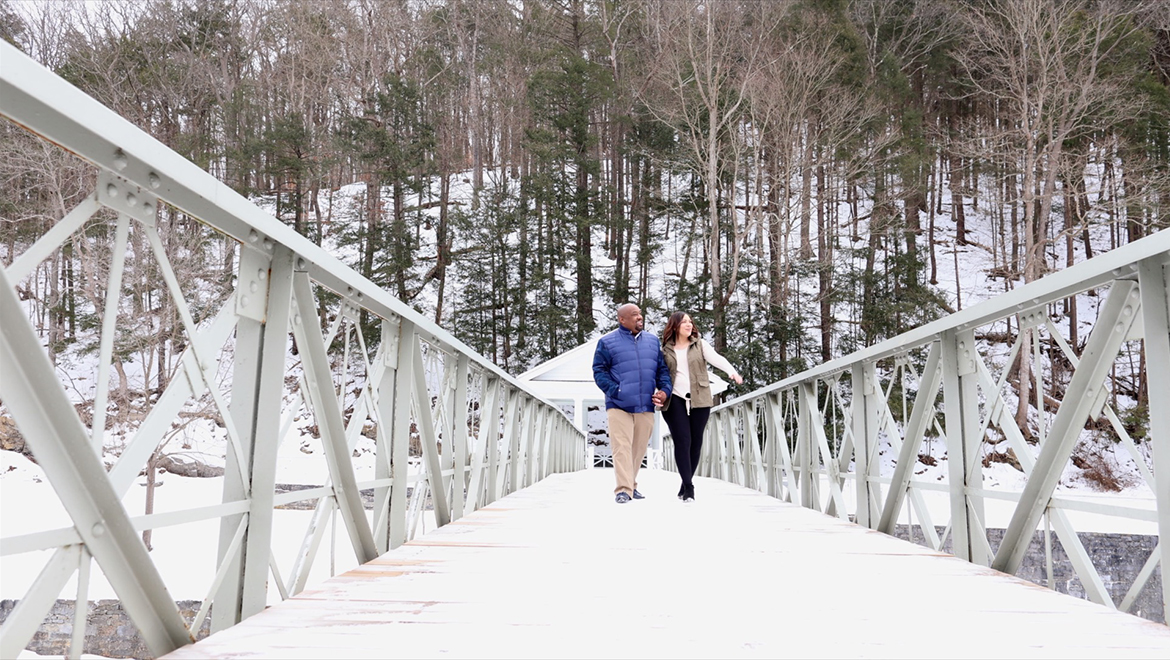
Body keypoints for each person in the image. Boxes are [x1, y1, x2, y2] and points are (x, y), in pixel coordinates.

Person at [592, 303, 672, 504]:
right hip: (618, 404)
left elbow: (662, 371)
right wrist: (615, 391)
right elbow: (599, 370)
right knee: (621, 447)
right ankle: (623, 489)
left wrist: (664, 392)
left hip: (646, 404)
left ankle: (631, 483)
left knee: (638, 449)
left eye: (640, 314)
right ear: (622, 319)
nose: (640, 317)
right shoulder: (607, 342)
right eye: (634, 315)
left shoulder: (653, 342)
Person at [659, 312, 743, 502]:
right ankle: (689, 486)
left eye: (690, 322)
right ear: (675, 326)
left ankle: (685, 481)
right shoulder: (665, 349)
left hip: (700, 397)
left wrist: (732, 371)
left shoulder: (700, 345)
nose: (689, 325)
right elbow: (659, 373)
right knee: (683, 440)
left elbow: (717, 359)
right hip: (674, 398)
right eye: (684, 322)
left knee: (696, 442)